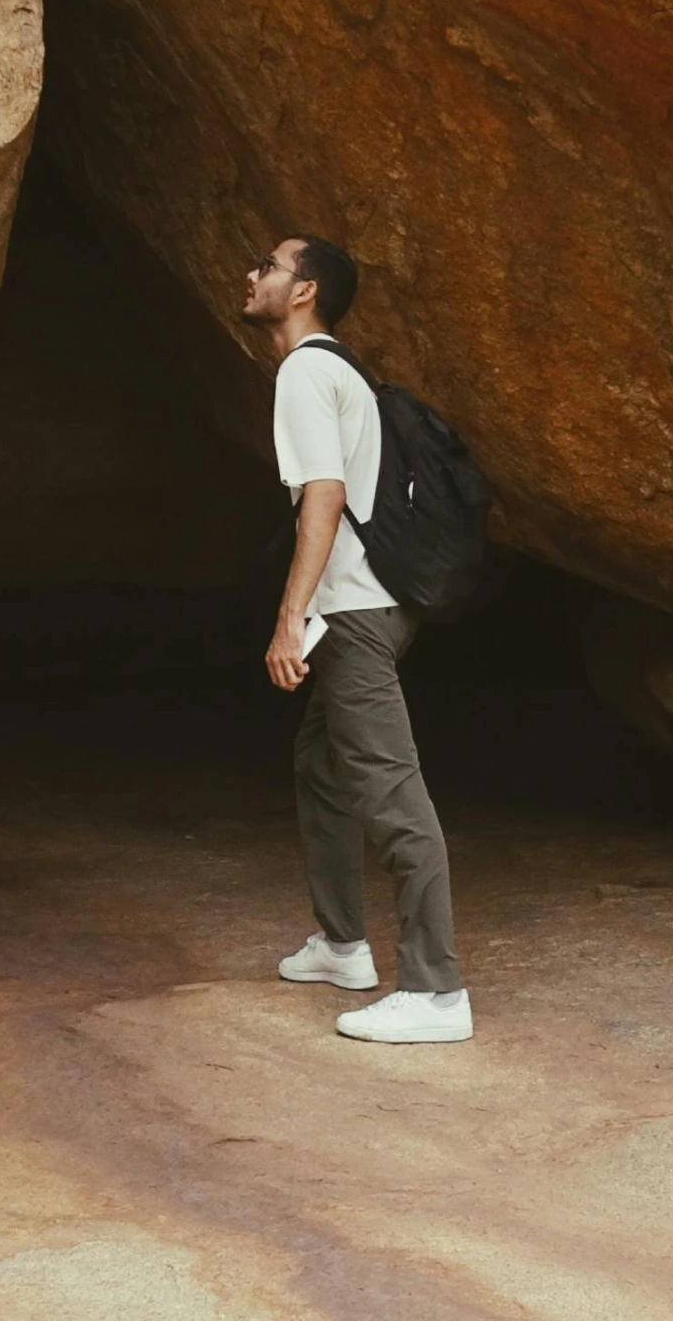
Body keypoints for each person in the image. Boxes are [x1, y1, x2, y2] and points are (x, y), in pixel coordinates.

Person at [241, 235, 471, 1044]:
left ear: (302, 291)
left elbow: (325, 499)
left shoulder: (306, 372)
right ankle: (343, 945)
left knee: (390, 789)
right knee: (323, 761)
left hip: (354, 614)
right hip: (374, 606)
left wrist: (288, 619)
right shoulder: (343, 372)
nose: (253, 275)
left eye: (266, 265)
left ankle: (437, 991)